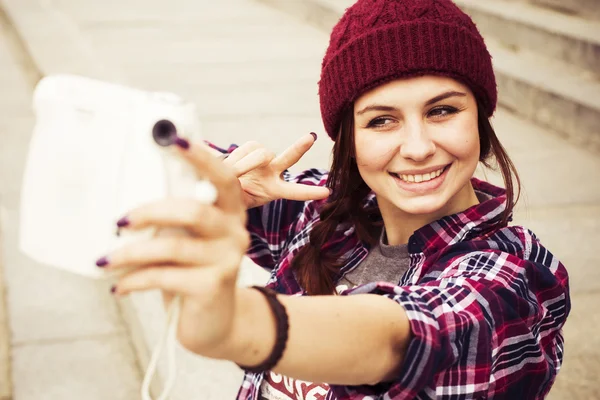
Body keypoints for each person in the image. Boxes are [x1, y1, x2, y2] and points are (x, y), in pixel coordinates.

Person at [95, 0, 571, 398]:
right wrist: (215, 186)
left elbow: (405, 336)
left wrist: (236, 322)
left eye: (442, 110)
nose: (419, 146)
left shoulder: (513, 276)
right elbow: (157, 154)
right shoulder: (326, 212)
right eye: (381, 120)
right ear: (350, 140)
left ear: (481, 120)